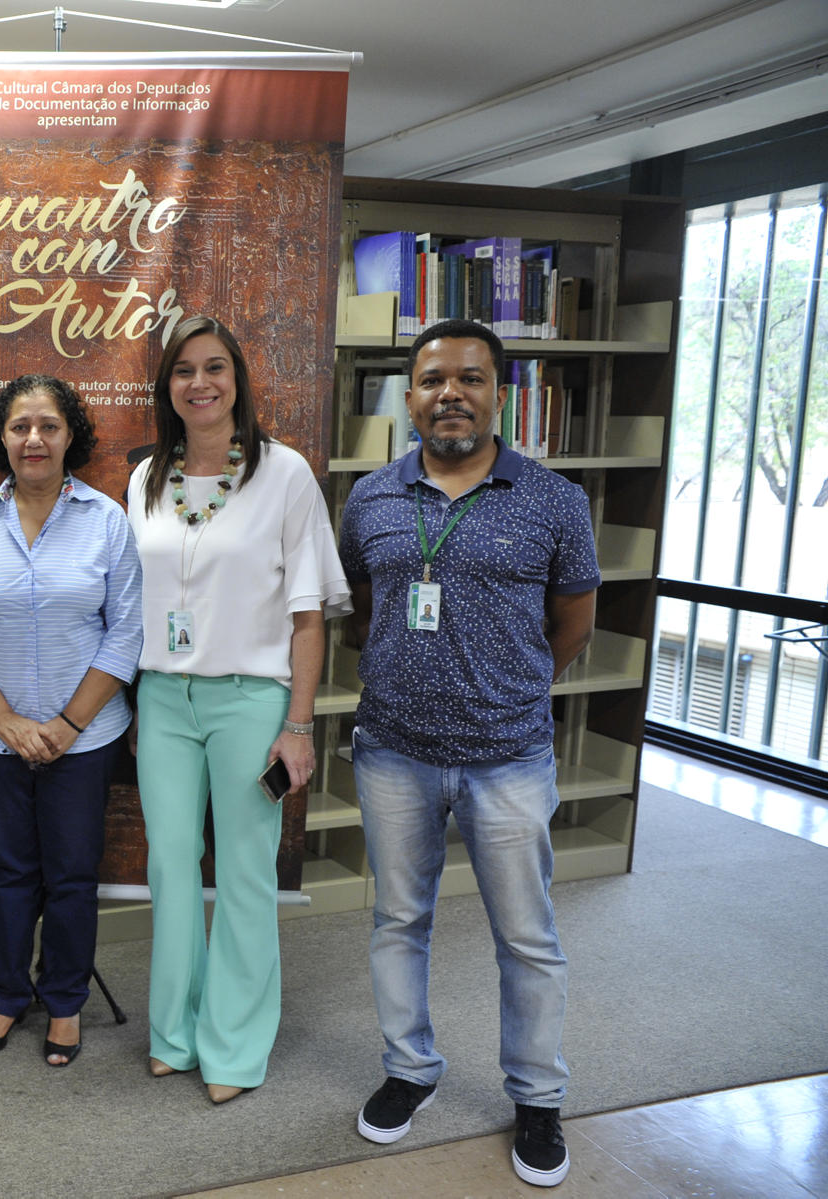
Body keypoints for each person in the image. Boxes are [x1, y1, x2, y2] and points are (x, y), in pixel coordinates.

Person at [340, 318, 598, 1188]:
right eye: (434, 378)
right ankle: (409, 1069)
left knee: (527, 936)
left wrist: (507, 687)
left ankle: (536, 1097)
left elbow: (574, 624)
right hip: (393, 754)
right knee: (398, 921)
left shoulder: (557, 501)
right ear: (410, 395)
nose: (451, 392)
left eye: (472, 378)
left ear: (499, 393)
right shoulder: (370, 496)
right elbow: (363, 609)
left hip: (509, 757)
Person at [128, 315, 349, 1104]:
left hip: (251, 699)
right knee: (170, 866)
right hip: (163, 698)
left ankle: (234, 1044)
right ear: (167, 387)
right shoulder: (146, 475)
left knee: (247, 872)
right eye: (183, 370)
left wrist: (298, 724)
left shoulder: (282, 473)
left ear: (238, 380)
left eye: (214, 368)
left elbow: (309, 617)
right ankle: (175, 1032)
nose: (199, 383)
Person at [0, 374, 142, 1066]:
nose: (34, 439)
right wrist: (10, 724)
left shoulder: (106, 521)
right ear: (1, 435)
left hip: (84, 739)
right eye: (21, 426)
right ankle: (5, 994)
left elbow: (125, 634)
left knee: (73, 875)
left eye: (49, 425)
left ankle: (64, 1000)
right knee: (10, 870)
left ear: (70, 435)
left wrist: (67, 726)